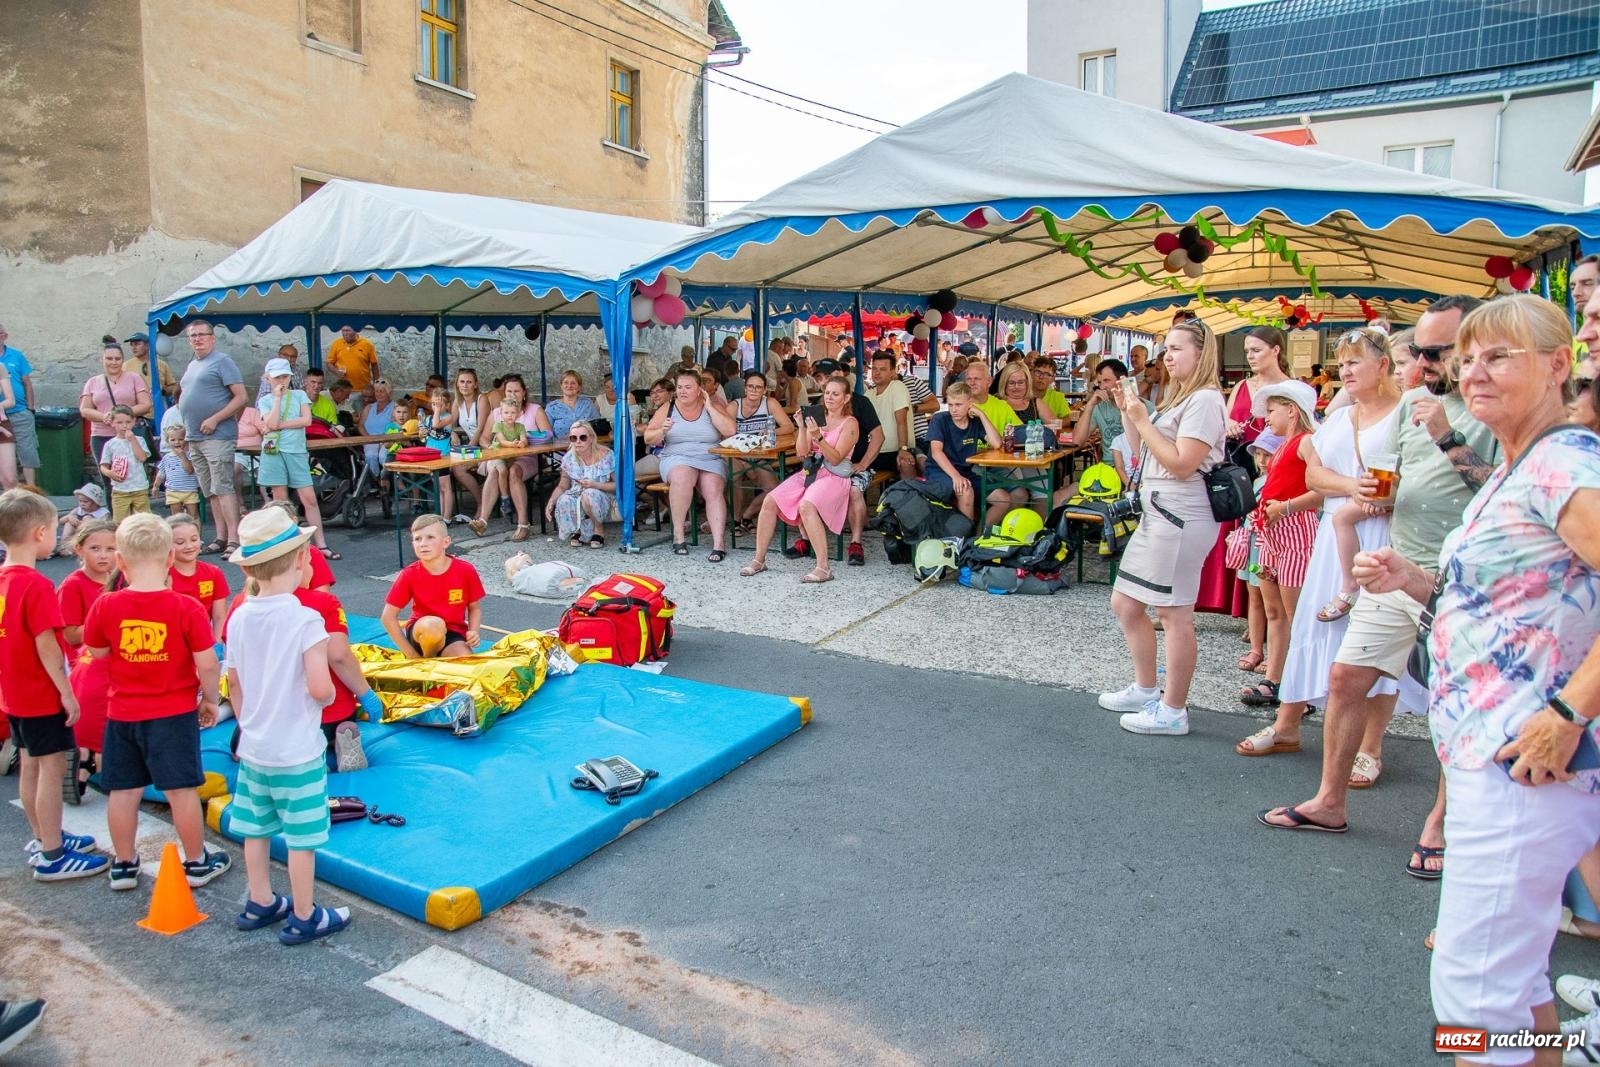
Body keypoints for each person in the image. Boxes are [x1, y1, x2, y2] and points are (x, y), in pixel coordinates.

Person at [1342, 296, 1600, 1061]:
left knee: (1473, 1000)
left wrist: (1568, 712)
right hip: (1498, 757)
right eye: (1468, 358)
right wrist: (1414, 579)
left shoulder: (1562, 464)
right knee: (1512, 982)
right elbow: (1509, 599)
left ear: (1557, 366)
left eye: (1499, 356)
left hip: (1523, 761)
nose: (1473, 372)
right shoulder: (1522, 464)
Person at [1253, 326, 1411, 828]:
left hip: (1384, 530)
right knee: (1313, 627)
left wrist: (1372, 497)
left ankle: (1371, 747)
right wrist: (1352, 487)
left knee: (1377, 642)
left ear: (1382, 364)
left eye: (1354, 361)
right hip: (1335, 531)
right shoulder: (1341, 417)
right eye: (1341, 363)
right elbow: (1314, 475)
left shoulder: (1405, 413)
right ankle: (1288, 724)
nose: (1345, 371)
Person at [223, 509, 352, 945]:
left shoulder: (239, 616)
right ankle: (304, 914)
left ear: (247, 569)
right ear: (301, 560)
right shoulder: (305, 619)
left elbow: (234, 683)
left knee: (256, 829)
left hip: (255, 747)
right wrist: (330, 699)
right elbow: (320, 687)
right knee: (301, 838)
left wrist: (249, 722)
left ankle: (260, 899)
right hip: (296, 749)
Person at [82, 513, 229, 889]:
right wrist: (210, 699)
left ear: (120, 561)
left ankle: (124, 863)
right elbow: (208, 662)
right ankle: (196, 861)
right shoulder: (185, 607)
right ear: (169, 558)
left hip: (123, 713)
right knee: (181, 790)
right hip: (172, 714)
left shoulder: (105, 605)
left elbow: (97, 652)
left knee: (123, 790)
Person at [1097, 318, 1228, 737]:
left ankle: (1173, 709)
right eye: (1166, 349)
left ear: (1201, 353)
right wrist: (1130, 415)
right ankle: (1145, 689)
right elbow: (1145, 453)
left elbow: (1182, 464)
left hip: (1181, 515)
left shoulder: (1205, 400)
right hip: (1159, 512)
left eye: (1177, 349)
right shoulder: (1181, 397)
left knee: (1174, 614)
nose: (1167, 357)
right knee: (1126, 602)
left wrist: (1142, 419)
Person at [0, 489, 109, 881]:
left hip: (14, 693)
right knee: (51, 768)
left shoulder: (4, 580)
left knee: (30, 764)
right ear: (40, 533)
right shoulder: (36, 585)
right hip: (40, 693)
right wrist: (66, 691)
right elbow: (48, 645)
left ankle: (43, 835)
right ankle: (52, 854)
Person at [1232, 381, 1322, 726]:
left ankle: (1301, 689)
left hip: (1294, 528)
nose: (1266, 418)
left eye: (1271, 410)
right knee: (1275, 611)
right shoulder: (1285, 445)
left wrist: (1285, 507)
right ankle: (1276, 678)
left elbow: (1321, 489)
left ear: (1292, 410)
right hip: (1271, 530)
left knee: (1295, 613)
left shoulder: (1307, 442)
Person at [740, 376, 859, 584]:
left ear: (846, 398)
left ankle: (823, 567)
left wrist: (818, 437)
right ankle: (759, 560)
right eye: (827, 392)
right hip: (811, 473)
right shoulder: (816, 418)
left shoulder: (850, 423)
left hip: (834, 476)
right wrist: (802, 428)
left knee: (806, 505)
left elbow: (835, 458)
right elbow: (802, 453)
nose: (829, 397)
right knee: (770, 500)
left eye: (835, 394)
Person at [643, 367, 736, 561]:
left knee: (713, 487)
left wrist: (709, 407)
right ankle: (678, 536)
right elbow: (648, 438)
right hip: (677, 456)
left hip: (709, 457)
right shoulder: (668, 407)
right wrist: (662, 431)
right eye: (679, 387)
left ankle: (719, 543)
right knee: (682, 477)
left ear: (699, 389)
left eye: (688, 387)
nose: (682, 391)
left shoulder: (712, 405)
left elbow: (730, 431)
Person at [177, 319, 248, 555]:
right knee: (210, 490)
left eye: (202, 334)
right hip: (195, 436)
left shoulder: (222, 361)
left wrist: (216, 419)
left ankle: (234, 540)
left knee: (223, 487)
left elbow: (241, 397)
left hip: (217, 435)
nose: (197, 339)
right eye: (193, 335)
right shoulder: (192, 365)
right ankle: (220, 537)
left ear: (212, 338)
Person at [59, 519, 116, 804]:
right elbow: (69, 634)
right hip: (85, 658)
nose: (104, 555)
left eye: (110, 549)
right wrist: (105, 624)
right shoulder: (73, 585)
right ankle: (89, 757)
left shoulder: (121, 578)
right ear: (79, 550)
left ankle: (90, 759)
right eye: (95, 548)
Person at [256, 357, 332, 556]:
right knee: (281, 500)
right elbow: (270, 422)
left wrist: (279, 425)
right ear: (268, 379)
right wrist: (277, 399)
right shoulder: (265, 400)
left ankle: (321, 544)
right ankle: (288, 545)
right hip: (274, 452)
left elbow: (306, 420)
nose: (281, 380)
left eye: (284, 376)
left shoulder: (299, 395)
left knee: (309, 498)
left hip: (296, 451)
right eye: (277, 377)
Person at [382, 513, 484, 659]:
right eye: (418, 539)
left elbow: (475, 608)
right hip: (422, 631)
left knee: (466, 661)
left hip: (453, 633)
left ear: (446, 542)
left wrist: (473, 631)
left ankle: (435, 660)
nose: (423, 543)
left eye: (430, 537)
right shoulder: (409, 574)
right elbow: (388, 616)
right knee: (434, 626)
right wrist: (411, 654)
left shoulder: (465, 570)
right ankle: (426, 660)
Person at [923, 382, 1002, 522]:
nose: (953, 409)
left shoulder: (975, 421)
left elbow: (996, 443)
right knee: (966, 491)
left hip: (965, 471)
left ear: (970, 403)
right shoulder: (940, 419)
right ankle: (964, 534)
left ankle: (979, 533)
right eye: (950, 405)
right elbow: (936, 453)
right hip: (939, 470)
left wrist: (982, 415)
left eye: (958, 405)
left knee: (1002, 499)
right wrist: (956, 477)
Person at [730, 370, 795, 530]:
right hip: (736, 453)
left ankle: (747, 515)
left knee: (775, 489)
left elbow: (788, 426)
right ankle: (735, 520)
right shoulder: (734, 406)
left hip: (760, 454)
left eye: (758, 387)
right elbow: (725, 433)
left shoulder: (769, 403)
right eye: (750, 386)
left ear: (765, 390)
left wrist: (770, 432)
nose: (754, 390)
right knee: (734, 479)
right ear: (745, 389)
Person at [79, 338, 153, 472]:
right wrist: (103, 416)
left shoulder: (134, 378)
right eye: (109, 359)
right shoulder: (92, 382)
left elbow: (146, 404)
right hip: (101, 435)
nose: (113, 362)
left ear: (122, 360)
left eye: (117, 359)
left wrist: (121, 414)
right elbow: (84, 409)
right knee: (107, 475)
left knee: (132, 473)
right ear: (102, 360)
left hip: (128, 434)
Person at [544, 420, 615, 548]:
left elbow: (618, 486)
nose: (578, 442)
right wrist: (551, 501)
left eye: (583, 437)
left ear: (591, 438)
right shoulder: (569, 458)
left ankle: (598, 529)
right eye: (573, 438)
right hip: (578, 493)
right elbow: (562, 485)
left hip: (602, 494)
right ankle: (577, 529)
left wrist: (595, 484)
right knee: (565, 498)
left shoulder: (606, 455)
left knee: (588, 495)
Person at [467, 397, 531, 539]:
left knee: (511, 471)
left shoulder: (520, 427)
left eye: (512, 413)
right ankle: (495, 508)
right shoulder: (498, 425)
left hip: (513, 458)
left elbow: (524, 439)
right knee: (496, 470)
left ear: (518, 413)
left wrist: (522, 442)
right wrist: (513, 444)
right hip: (498, 456)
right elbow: (501, 441)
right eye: (506, 413)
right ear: (501, 413)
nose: (509, 415)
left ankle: (519, 521)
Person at [1071, 359, 1153, 464]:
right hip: (1109, 467)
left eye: (1106, 380)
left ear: (1122, 381)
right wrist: (1090, 405)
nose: (1102, 387)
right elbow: (1077, 441)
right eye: (1099, 382)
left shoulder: (1146, 407)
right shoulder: (1099, 407)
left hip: (1138, 466)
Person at [168, 514, 230, 642]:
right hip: (172, 640)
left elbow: (219, 616)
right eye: (180, 542)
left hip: (203, 640)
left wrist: (218, 645)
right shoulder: (162, 575)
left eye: (194, 539)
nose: (189, 546)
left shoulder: (214, 573)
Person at [0, 323, 40, 484]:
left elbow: (27, 382)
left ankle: (31, 488)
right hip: (1, 416)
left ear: (5, 336)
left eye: (0, 334)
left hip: (19, 411)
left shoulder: (16, 356)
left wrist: (30, 408)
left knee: (27, 450)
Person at [98, 406, 151, 520]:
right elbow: (103, 465)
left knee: (144, 520)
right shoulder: (110, 444)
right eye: (119, 422)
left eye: (128, 422)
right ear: (112, 423)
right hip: (120, 490)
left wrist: (132, 440)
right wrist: (109, 473)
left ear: (133, 421)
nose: (124, 425)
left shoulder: (139, 440)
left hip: (139, 487)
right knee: (119, 521)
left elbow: (142, 458)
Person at [154, 424, 200, 520]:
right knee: (176, 516)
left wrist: (182, 456)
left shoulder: (190, 455)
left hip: (189, 490)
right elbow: (161, 474)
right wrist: (156, 486)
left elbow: (189, 470)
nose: (177, 442)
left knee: (193, 515)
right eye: (173, 440)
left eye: (180, 439)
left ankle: (195, 529)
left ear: (185, 440)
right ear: (168, 441)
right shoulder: (166, 458)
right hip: (173, 491)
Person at [545, 370, 603, 440]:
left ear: (579, 387)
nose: (569, 386)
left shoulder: (587, 403)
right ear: (561, 386)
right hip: (561, 446)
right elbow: (547, 435)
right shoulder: (552, 407)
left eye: (573, 383)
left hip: (586, 444)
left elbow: (598, 427)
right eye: (566, 383)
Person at [55, 483, 108, 556]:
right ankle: (64, 546)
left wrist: (87, 522)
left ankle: (82, 547)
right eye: (80, 501)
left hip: (93, 535)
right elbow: (60, 521)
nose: (82, 504)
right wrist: (69, 517)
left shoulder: (102, 513)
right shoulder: (78, 510)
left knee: (88, 518)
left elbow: (106, 527)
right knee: (69, 523)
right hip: (75, 534)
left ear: (95, 502)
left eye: (85, 501)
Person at [325, 325, 378, 395]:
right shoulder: (336, 344)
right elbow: (329, 363)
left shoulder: (367, 344)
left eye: (347, 330)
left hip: (362, 389)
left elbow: (374, 365)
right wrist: (336, 372)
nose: (345, 333)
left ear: (356, 330)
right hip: (342, 388)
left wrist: (376, 384)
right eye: (343, 331)